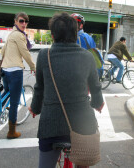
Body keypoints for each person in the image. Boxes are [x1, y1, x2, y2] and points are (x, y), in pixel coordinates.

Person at [28, 12, 104, 168]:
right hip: (82, 123)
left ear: (52, 35)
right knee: (84, 162)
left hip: (51, 125)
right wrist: (98, 103)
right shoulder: (87, 56)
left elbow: (39, 88)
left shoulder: (44, 55)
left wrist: (35, 108)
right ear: (76, 34)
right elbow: (96, 87)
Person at [1, 12, 36, 139]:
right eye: (21, 21)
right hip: (15, 71)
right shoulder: (19, 36)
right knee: (15, 102)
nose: (24, 24)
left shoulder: (11, 34)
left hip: (5, 70)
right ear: (15, 21)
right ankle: (11, 132)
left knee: (6, 93)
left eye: (26, 22)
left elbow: (2, 51)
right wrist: (33, 67)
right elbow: (25, 52)